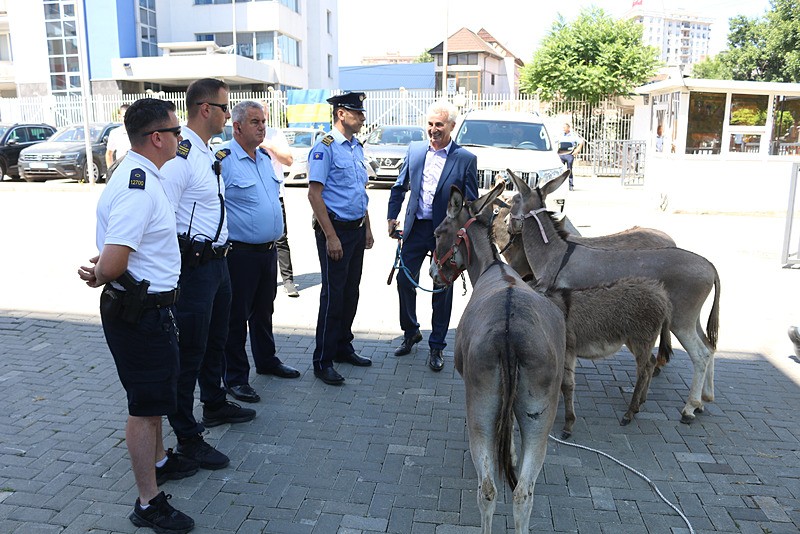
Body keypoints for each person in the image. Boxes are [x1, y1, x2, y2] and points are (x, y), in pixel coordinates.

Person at [77, 98, 195, 534]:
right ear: (158, 138)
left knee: (156, 397)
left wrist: (108, 263)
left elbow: (122, 246)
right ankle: (148, 501)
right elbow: (112, 264)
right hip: (139, 311)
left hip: (151, 308)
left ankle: (162, 461)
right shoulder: (138, 187)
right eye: (177, 132)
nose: (181, 139)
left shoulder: (144, 175)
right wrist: (100, 273)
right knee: (145, 408)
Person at [160, 78, 255, 473]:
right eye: (223, 107)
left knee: (217, 339)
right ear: (205, 109)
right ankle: (186, 434)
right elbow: (163, 214)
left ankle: (213, 403)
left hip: (219, 263)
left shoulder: (205, 151)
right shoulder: (182, 156)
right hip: (195, 268)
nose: (227, 114)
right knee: (191, 352)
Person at [387, 101, 478, 372]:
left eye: (439, 125)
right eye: (430, 124)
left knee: (442, 288)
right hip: (416, 229)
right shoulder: (415, 150)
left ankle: (437, 345)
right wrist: (392, 217)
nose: (433, 130)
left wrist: (466, 233)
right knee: (404, 280)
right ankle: (411, 331)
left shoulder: (465, 159)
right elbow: (399, 186)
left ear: (451, 126)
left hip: (446, 236)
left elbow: (471, 200)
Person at [220, 100, 301, 404]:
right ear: (237, 126)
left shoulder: (265, 158)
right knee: (235, 318)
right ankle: (236, 378)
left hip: (267, 252)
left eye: (263, 121)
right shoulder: (224, 159)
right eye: (255, 122)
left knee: (264, 310)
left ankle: (267, 361)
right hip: (239, 254)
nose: (262, 127)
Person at [307, 91, 374, 385]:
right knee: (333, 296)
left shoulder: (356, 147)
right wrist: (331, 237)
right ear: (341, 114)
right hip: (335, 232)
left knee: (351, 292)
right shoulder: (326, 148)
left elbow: (360, 191)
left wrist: (368, 227)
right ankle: (323, 360)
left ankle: (343, 346)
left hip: (357, 229)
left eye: (361, 112)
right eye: (356, 112)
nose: (362, 117)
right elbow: (314, 194)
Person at [259, 105, 299, 297]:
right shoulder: (242, 135)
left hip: (276, 194)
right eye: (256, 119)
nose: (261, 123)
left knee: (281, 238)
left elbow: (289, 160)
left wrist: (268, 145)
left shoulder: (275, 134)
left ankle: (288, 280)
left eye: (263, 119)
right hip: (254, 195)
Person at [557, 122, 583, 191]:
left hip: (569, 154)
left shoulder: (573, 135)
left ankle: (570, 185)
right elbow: (555, 142)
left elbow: (581, 142)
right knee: (560, 171)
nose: (563, 129)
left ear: (568, 128)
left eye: (564, 127)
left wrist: (576, 151)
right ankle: (559, 185)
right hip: (561, 154)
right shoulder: (560, 135)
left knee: (569, 170)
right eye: (563, 127)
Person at [105, 104, 131, 169]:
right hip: (121, 169)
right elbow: (109, 154)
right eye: (124, 116)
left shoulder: (139, 132)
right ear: (119, 117)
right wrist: (110, 172)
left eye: (129, 116)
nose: (127, 119)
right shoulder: (115, 133)